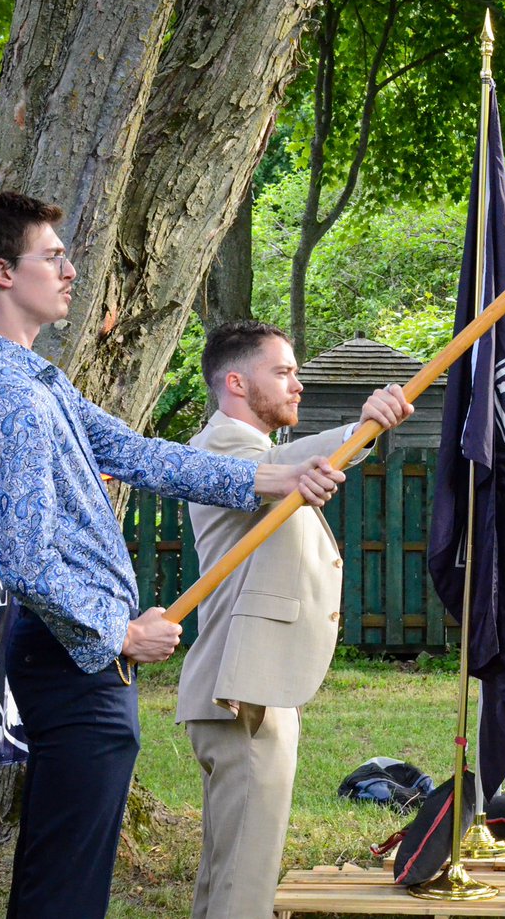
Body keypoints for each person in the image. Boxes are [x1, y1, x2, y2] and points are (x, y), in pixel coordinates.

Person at [0, 192, 344, 919]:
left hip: (81, 658)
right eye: (52, 256)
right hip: (74, 659)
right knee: (65, 885)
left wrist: (271, 476)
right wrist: (121, 633)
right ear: (2, 271)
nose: (69, 270)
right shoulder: (11, 400)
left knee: (66, 869)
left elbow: (134, 453)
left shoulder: (39, 380)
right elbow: (28, 563)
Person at [174, 320, 411, 919]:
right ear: (234, 382)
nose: (297, 385)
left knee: (228, 873)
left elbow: (290, 461)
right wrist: (361, 428)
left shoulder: (254, 452)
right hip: (242, 691)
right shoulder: (223, 447)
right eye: (281, 372)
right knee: (245, 887)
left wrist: (366, 429)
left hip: (247, 684)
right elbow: (287, 464)